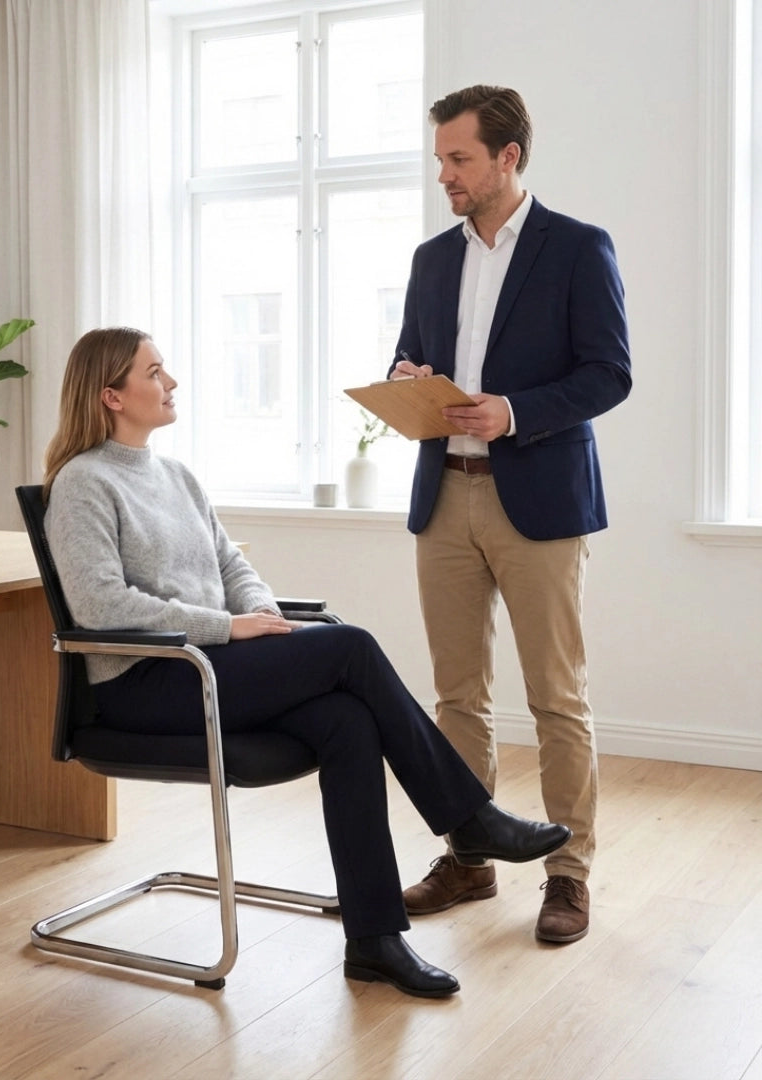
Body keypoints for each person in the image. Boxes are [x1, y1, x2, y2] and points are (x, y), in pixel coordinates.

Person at [43, 325, 572, 999]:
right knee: (348, 644)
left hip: (209, 665)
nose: (171, 382)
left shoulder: (174, 475)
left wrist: (261, 620)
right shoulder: (82, 483)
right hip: (150, 682)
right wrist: (229, 629)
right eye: (154, 373)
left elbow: (231, 563)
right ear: (111, 395)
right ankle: (469, 818)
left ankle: (375, 940)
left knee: (347, 720)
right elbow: (100, 605)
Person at [388, 85, 632, 943]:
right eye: (439, 160)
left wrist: (514, 411)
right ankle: (471, 856)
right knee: (458, 696)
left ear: (507, 158)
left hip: (539, 498)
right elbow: (408, 356)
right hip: (442, 493)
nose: (445, 176)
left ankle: (568, 874)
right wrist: (410, 383)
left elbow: (609, 374)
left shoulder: (576, 249)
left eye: (459, 159)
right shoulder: (430, 259)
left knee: (556, 696)